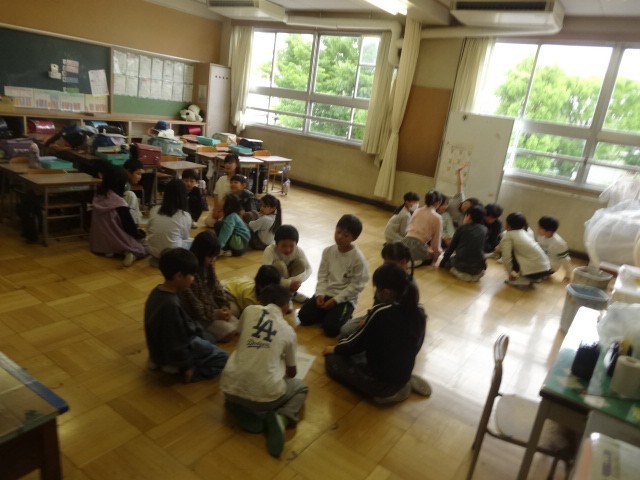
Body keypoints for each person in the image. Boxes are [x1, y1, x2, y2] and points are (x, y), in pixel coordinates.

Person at [221, 284, 308, 457]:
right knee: (301, 388)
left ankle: (236, 406)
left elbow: (241, 335)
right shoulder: (288, 331)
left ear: (260, 301)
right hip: (265, 399)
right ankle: (282, 418)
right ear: (286, 306)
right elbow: (292, 373)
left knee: (239, 372)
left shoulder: (249, 311)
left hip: (229, 388)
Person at [323, 263, 428, 404]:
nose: (375, 292)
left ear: (386, 292)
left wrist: (335, 349)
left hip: (381, 382)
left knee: (332, 361)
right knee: (366, 352)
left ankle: (394, 392)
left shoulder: (382, 312)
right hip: (402, 371)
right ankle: (405, 380)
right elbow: (416, 345)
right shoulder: (419, 310)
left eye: (376, 288)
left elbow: (356, 344)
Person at [144, 248, 228, 383]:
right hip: (177, 349)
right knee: (223, 358)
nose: (193, 279)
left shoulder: (156, 292)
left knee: (210, 338)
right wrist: (186, 366)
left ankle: (163, 361)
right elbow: (176, 340)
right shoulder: (171, 304)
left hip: (157, 349)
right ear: (178, 276)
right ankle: (184, 370)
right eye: (192, 275)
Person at [298, 214, 369, 337]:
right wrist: (320, 294)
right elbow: (322, 276)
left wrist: (336, 300)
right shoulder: (328, 251)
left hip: (345, 299)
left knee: (331, 329)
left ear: (354, 238)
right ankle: (329, 314)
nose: (340, 237)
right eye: (338, 231)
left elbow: (356, 286)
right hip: (327, 293)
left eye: (345, 235)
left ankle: (342, 314)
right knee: (303, 317)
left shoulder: (358, 259)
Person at [339, 241, 415, 339]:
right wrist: (368, 320)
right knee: (345, 330)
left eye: (388, 263)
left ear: (403, 262)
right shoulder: (385, 276)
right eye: (384, 262)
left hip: (393, 323)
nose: (384, 265)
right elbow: (376, 304)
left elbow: (402, 316)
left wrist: (371, 323)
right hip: (378, 315)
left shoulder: (409, 286)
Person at [179, 231, 239, 342]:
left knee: (237, 322)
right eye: (210, 256)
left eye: (215, 256)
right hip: (197, 315)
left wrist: (224, 306)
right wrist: (216, 313)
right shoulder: (189, 274)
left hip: (211, 308)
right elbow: (195, 307)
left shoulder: (208, 265)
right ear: (200, 253)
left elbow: (216, 286)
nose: (213, 259)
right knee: (229, 331)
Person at [89, 164, 147, 267]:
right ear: (120, 183)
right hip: (115, 238)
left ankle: (109, 250)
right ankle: (129, 253)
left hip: (98, 242)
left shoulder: (98, 196)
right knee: (144, 246)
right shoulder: (119, 203)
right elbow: (129, 227)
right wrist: (140, 235)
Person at [145, 179, 192, 264]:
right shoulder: (185, 215)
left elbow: (148, 230)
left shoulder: (154, 209)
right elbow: (185, 237)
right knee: (192, 242)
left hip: (153, 251)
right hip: (173, 255)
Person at [262, 225, 312, 304]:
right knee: (280, 265)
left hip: (289, 281)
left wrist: (297, 281)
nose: (288, 249)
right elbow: (265, 274)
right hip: (273, 283)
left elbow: (309, 269)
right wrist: (288, 283)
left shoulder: (298, 250)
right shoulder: (269, 250)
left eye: (291, 246)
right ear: (276, 243)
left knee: (300, 263)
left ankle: (290, 293)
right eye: (283, 245)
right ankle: (282, 295)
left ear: (296, 244)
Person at [500, 212, 553, 287]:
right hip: (546, 268)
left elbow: (506, 258)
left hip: (535, 272)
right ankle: (532, 278)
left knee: (511, 253)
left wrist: (510, 273)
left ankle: (525, 280)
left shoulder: (508, 235)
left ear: (507, 224)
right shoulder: (525, 232)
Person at [439, 205, 488, 282]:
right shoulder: (484, 229)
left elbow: (451, 248)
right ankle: (475, 276)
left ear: (469, 217)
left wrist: (441, 264)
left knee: (449, 262)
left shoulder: (462, 228)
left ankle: (462, 274)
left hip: (462, 265)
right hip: (478, 267)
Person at [402, 190, 443, 266]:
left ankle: (408, 259)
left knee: (426, 250)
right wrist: (436, 256)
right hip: (418, 245)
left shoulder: (417, 210)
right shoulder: (437, 217)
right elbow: (436, 243)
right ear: (438, 203)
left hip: (405, 242)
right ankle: (415, 261)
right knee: (432, 254)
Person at [536, 216, 573, 281]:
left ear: (549, 231)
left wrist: (568, 274)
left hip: (551, 266)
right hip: (541, 260)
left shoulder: (559, 243)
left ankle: (543, 275)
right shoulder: (541, 236)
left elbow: (566, 260)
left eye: (540, 228)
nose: (537, 229)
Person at [206, 153, 239, 224]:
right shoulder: (221, 178)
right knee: (209, 222)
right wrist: (216, 209)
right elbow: (216, 194)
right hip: (219, 208)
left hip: (230, 210)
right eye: (226, 163)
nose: (227, 165)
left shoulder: (238, 180)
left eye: (230, 163)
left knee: (219, 223)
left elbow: (233, 198)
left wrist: (222, 211)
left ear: (236, 164)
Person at [446, 163, 482, 228]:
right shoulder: (461, 198)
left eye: (467, 208)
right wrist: (459, 172)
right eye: (465, 203)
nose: (464, 206)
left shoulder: (466, 217)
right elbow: (460, 185)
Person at [122, 158, 145, 225]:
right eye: (138, 174)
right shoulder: (124, 185)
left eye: (141, 174)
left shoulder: (127, 183)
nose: (140, 177)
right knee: (131, 195)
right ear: (128, 172)